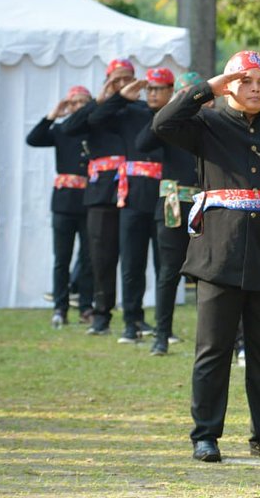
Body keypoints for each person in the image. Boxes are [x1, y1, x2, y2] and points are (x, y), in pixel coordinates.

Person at [152, 50, 260, 463]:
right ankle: (205, 435)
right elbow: (162, 122)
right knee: (213, 352)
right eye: (244, 81)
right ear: (228, 86)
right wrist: (207, 89)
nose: (255, 88)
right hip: (217, 256)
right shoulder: (206, 123)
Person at [89, 67, 175, 343]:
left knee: (166, 265)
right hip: (134, 198)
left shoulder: (177, 116)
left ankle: (164, 327)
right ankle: (131, 322)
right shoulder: (131, 111)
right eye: (149, 88)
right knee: (131, 263)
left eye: (158, 88)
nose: (152, 93)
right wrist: (122, 97)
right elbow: (96, 119)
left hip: (166, 197)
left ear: (170, 91)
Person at [59, 59, 136, 337]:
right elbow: (68, 129)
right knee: (101, 258)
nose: (121, 83)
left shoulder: (137, 108)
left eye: (127, 78)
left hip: (134, 192)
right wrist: (101, 99)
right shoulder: (95, 111)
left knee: (132, 259)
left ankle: (134, 318)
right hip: (101, 194)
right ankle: (101, 315)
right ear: (106, 81)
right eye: (116, 79)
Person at [136, 71, 203, 355]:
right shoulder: (168, 124)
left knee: (210, 274)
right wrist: (170, 109)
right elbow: (142, 144)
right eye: (183, 94)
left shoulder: (211, 123)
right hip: (173, 208)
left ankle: (219, 339)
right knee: (168, 272)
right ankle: (161, 335)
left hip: (206, 207)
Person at [26, 85, 94, 328]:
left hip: (88, 201)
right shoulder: (61, 130)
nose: (77, 107)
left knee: (89, 258)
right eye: (73, 103)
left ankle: (86, 306)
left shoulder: (94, 129)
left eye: (82, 102)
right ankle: (60, 307)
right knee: (61, 258)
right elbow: (33, 139)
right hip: (64, 203)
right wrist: (54, 113)